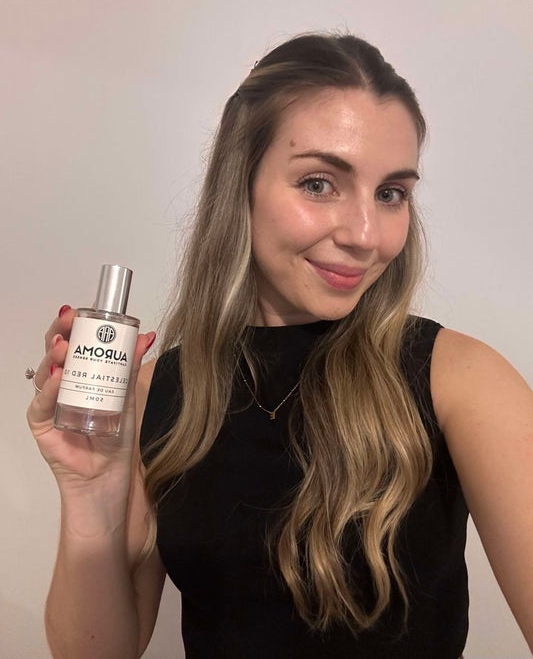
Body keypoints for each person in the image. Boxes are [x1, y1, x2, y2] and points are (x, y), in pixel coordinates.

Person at [27, 33, 532, 659]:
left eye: (391, 193)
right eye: (319, 184)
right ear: (240, 184)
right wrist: (89, 493)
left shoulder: (459, 379)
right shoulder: (158, 394)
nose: (366, 235)